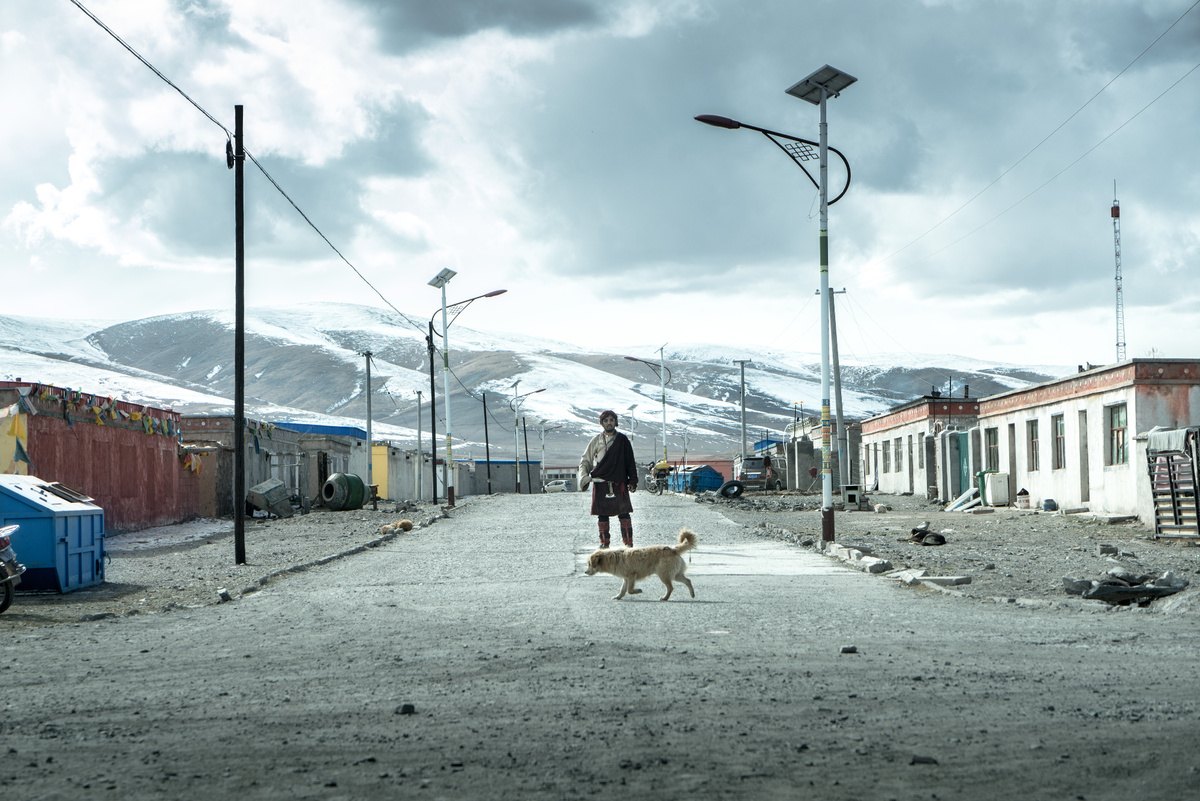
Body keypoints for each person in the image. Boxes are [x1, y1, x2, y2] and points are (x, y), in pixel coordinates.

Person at [577, 410, 638, 548]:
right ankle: (604, 544)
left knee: (624, 514)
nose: (609, 423)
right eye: (606, 420)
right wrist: (584, 477)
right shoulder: (596, 440)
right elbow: (585, 460)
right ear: (602, 423)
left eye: (611, 420)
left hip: (619, 482)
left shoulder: (622, 440)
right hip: (600, 483)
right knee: (602, 515)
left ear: (615, 422)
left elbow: (630, 461)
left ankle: (628, 544)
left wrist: (633, 480)